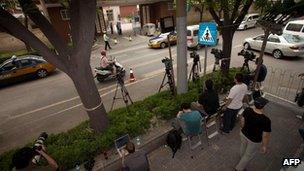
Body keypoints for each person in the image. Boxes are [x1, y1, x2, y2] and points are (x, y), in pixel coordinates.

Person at [235, 97, 271, 171]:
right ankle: (238, 168)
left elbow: (242, 120)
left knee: (243, 147)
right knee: (248, 155)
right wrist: (264, 146)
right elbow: (265, 136)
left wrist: (242, 128)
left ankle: (242, 158)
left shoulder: (248, 110)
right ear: (263, 106)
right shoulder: (266, 120)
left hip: (243, 134)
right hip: (254, 140)